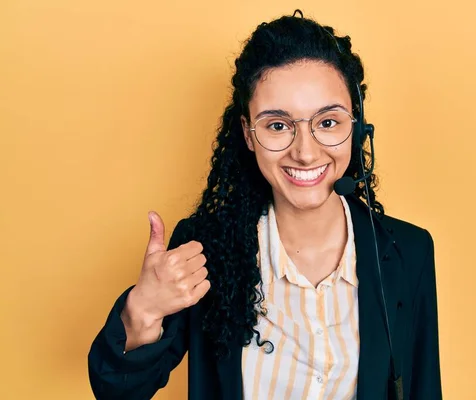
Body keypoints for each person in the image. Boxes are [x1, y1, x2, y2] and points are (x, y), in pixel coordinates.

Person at [88, 10, 442, 400]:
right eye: (278, 125)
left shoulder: (408, 251)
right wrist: (145, 309)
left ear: (355, 127)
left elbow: (423, 388)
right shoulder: (205, 248)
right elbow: (116, 390)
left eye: (327, 123)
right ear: (248, 134)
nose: (305, 153)